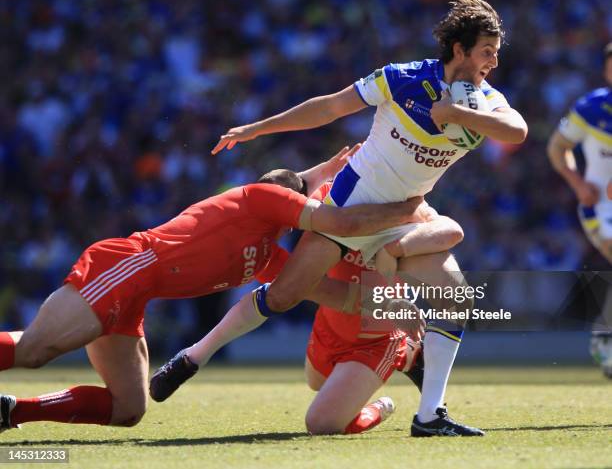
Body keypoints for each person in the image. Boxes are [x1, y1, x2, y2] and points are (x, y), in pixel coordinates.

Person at [153, 0, 528, 437]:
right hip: (345, 213)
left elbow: (517, 131)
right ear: (459, 49)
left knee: (457, 298)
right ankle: (195, 355)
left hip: (403, 217)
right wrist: (257, 128)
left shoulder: (484, 100)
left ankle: (430, 415)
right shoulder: (402, 78)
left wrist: (455, 113)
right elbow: (330, 106)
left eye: (497, 53)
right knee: (282, 296)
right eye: (487, 52)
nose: (494, 62)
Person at [0, 147, 426, 432]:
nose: (307, 211)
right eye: (303, 201)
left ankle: (13, 411)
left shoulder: (265, 254)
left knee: (127, 409)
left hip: (136, 296)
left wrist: (392, 309)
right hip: (126, 265)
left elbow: (323, 292)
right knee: (35, 351)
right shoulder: (259, 197)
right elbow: (337, 221)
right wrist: (406, 207)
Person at [150, 184, 465, 437]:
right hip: (331, 323)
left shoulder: (403, 204)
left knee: (322, 423)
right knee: (316, 380)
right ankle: (411, 355)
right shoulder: (329, 200)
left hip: (375, 338)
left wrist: (399, 248)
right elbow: (324, 288)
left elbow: (451, 229)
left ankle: (393, 375)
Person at [547, 42, 612, 378]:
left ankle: (605, 335)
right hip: (600, 208)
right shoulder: (591, 108)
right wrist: (577, 184)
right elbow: (557, 148)